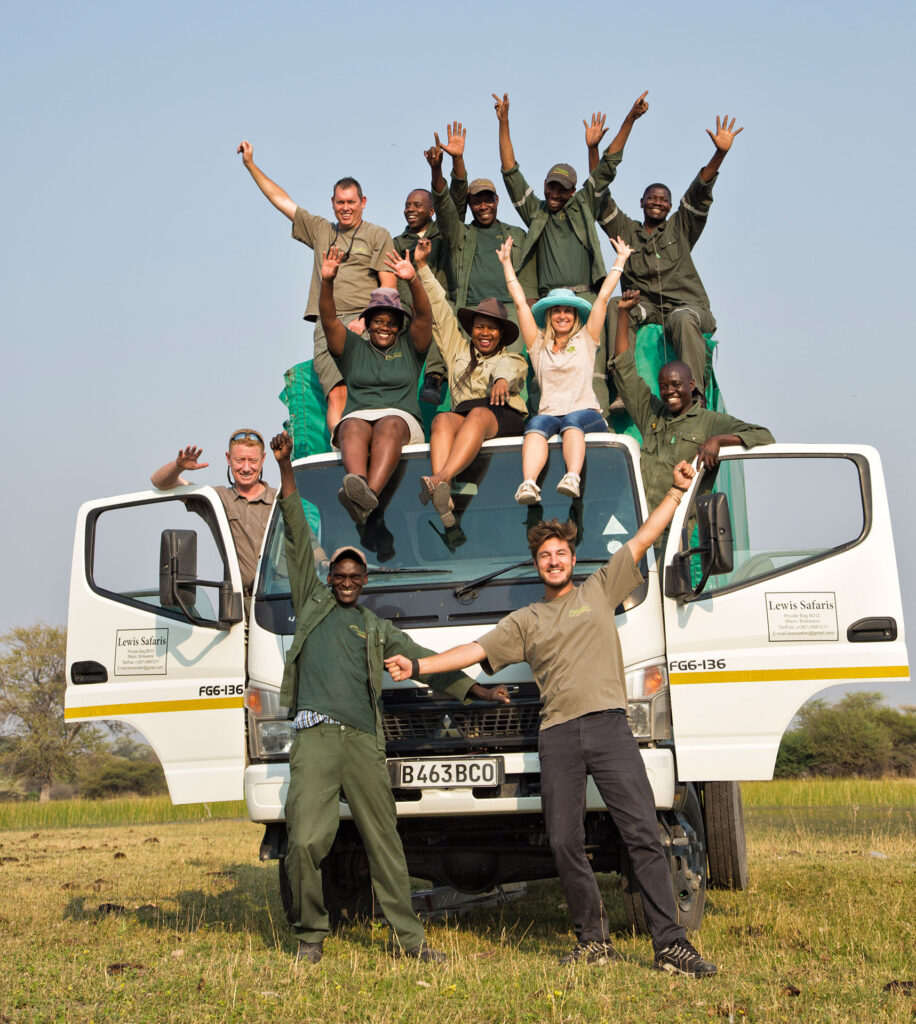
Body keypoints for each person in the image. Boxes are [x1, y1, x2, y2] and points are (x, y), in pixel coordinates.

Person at [385, 461, 719, 977]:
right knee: (563, 841)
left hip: (608, 727)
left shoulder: (598, 590)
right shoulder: (526, 621)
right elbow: (473, 649)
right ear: (537, 565)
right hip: (558, 734)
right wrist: (418, 666)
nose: (554, 561)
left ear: (573, 559)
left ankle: (671, 944)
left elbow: (642, 539)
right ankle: (593, 940)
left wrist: (676, 493)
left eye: (561, 553)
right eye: (545, 556)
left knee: (641, 835)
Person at [269, 430, 509, 965]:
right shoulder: (312, 604)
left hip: (362, 742)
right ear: (329, 576)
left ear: (364, 579)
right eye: (340, 573)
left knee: (385, 843)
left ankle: (411, 941)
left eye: (355, 575)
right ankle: (311, 934)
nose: (346, 581)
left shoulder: (375, 629)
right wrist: (284, 467)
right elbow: (294, 530)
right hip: (314, 739)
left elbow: (426, 662)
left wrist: (476, 689)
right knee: (304, 841)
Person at [494, 91, 649, 413]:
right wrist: (504, 122)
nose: (554, 193)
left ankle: (606, 407)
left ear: (573, 192)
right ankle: (531, 412)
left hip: (585, 297)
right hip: (549, 302)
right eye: (551, 186)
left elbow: (609, 165)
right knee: (539, 355)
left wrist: (630, 119)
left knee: (595, 354)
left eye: (562, 189)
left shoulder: (583, 205)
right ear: (545, 185)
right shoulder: (536, 212)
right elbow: (510, 172)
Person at [237, 141, 396, 432]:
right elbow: (282, 201)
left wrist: (366, 321)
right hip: (328, 322)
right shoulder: (321, 229)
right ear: (332, 203)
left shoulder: (377, 235)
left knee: (367, 393)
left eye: (351, 202)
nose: (345, 208)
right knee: (337, 393)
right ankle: (343, 449)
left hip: (365, 321)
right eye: (340, 202)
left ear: (363, 202)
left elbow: (389, 286)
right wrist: (250, 165)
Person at [595, 115, 744, 394]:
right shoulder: (626, 230)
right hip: (646, 309)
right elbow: (599, 195)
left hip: (686, 307)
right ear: (641, 202)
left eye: (664, 199)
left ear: (670, 206)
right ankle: (623, 385)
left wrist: (720, 154)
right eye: (652, 197)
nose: (658, 202)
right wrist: (593, 149)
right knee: (617, 305)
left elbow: (699, 192)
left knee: (682, 319)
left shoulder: (681, 227)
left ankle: (693, 395)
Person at [496, 234, 632, 504]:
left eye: (568, 311)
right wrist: (506, 264)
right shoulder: (538, 345)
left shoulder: (586, 339)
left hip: (586, 415)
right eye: (556, 310)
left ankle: (572, 477)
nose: (562, 315)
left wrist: (620, 261)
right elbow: (520, 303)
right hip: (550, 415)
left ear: (575, 316)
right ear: (549, 315)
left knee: (572, 421)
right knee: (535, 424)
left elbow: (603, 299)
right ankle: (529, 483)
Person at [610, 290, 774, 512]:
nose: (670, 391)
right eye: (664, 386)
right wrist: (623, 313)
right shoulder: (651, 413)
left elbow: (763, 435)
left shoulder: (708, 421)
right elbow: (624, 368)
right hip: (641, 521)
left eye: (676, 384)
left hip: (678, 525)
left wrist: (718, 440)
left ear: (692, 384)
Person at [413, 237, 529, 527]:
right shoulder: (458, 349)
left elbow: (510, 369)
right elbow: (440, 309)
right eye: (480, 327)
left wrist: (501, 380)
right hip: (465, 417)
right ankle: (444, 496)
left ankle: (440, 479)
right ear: (472, 329)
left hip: (501, 415)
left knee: (478, 413)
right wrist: (422, 267)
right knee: (441, 420)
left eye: (492, 328)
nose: (485, 333)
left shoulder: (512, 357)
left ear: (501, 334)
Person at [319, 245, 432, 526]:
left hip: (401, 420)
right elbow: (329, 320)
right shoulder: (352, 348)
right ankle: (358, 487)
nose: (385, 327)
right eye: (378, 321)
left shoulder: (410, 346)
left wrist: (413, 279)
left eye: (391, 322)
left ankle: (367, 496)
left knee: (388, 423)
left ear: (399, 326)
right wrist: (327, 282)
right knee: (349, 424)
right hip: (358, 416)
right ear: (368, 323)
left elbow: (424, 317)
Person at [425, 134, 536, 393]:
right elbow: (444, 207)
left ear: (497, 201)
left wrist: (529, 312)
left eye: (488, 199)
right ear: (470, 204)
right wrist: (438, 170)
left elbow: (529, 277)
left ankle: (512, 405)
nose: (483, 205)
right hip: (472, 308)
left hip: (509, 309)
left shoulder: (516, 234)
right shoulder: (460, 233)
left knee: (512, 364)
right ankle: (436, 379)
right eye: (476, 201)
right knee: (466, 364)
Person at [150, 429, 275, 601]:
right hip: (237, 605)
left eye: (252, 461)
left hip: (280, 602)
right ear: (228, 459)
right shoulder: (214, 499)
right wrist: (178, 466)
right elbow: (159, 482)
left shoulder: (280, 499)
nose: (246, 468)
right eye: (240, 460)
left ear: (263, 459)